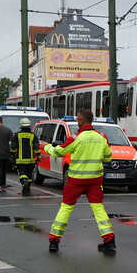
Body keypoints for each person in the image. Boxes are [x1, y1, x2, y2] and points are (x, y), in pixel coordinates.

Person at [44, 108, 116, 253]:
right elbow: (108, 157)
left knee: (65, 209)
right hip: (95, 180)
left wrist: (46, 147)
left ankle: (54, 241)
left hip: (76, 180)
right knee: (99, 210)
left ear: (82, 121)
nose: (77, 122)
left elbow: (59, 152)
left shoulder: (76, 138)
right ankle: (109, 241)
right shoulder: (102, 137)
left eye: (78, 120)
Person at [10, 117, 39, 195]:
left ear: (21, 125)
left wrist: (12, 155)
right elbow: (36, 147)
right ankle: (28, 187)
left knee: (22, 173)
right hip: (31, 160)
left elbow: (13, 147)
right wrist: (38, 156)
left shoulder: (17, 135)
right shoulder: (33, 135)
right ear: (29, 125)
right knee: (29, 174)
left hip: (20, 159)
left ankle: (24, 184)